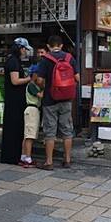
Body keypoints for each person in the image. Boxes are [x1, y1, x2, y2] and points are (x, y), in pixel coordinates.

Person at [36, 35, 79, 170]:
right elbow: (77, 77)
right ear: (61, 46)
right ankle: (67, 160)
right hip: (66, 99)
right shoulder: (69, 58)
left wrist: (44, 88)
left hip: (50, 99)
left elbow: (39, 81)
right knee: (67, 130)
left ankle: (49, 162)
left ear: (48, 46)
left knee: (50, 131)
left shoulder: (45, 60)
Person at [1, 38, 34, 165]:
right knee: (15, 128)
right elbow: (15, 81)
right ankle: (13, 157)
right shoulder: (14, 62)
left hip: (12, 99)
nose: (26, 52)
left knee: (13, 128)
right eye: (25, 49)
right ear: (20, 48)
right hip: (15, 100)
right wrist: (29, 79)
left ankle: (11, 156)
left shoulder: (11, 60)